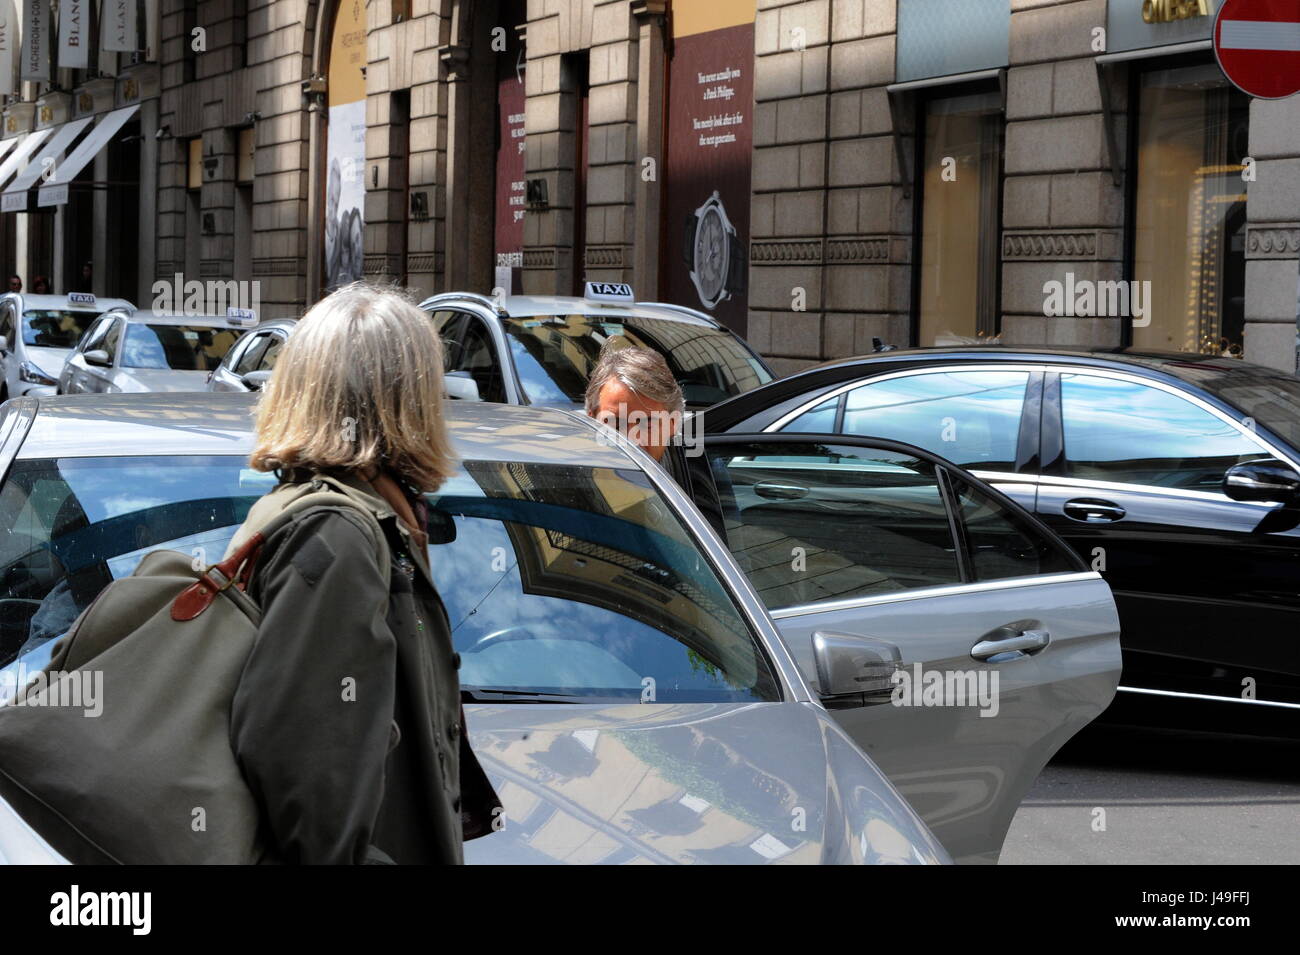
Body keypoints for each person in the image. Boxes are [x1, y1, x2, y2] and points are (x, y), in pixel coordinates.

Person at [234, 282, 500, 864]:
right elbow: (309, 792)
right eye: (431, 383)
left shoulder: (355, 516)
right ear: (407, 401)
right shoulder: (340, 534)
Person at [584, 342, 684, 464]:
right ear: (591, 423)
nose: (632, 439)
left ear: (672, 424)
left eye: (647, 425)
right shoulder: (566, 474)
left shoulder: (697, 477)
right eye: (616, 425)